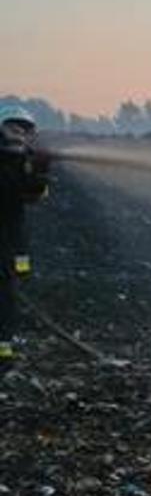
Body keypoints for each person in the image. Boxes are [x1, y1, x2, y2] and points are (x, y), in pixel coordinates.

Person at [0, 107, 53, 372]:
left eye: (25, 129)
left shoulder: (24, 162)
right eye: (14, 127)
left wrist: (40, 172)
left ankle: (3, 353)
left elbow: (33, 196)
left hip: (11, 243)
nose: (19, 133)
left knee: (6, 301)